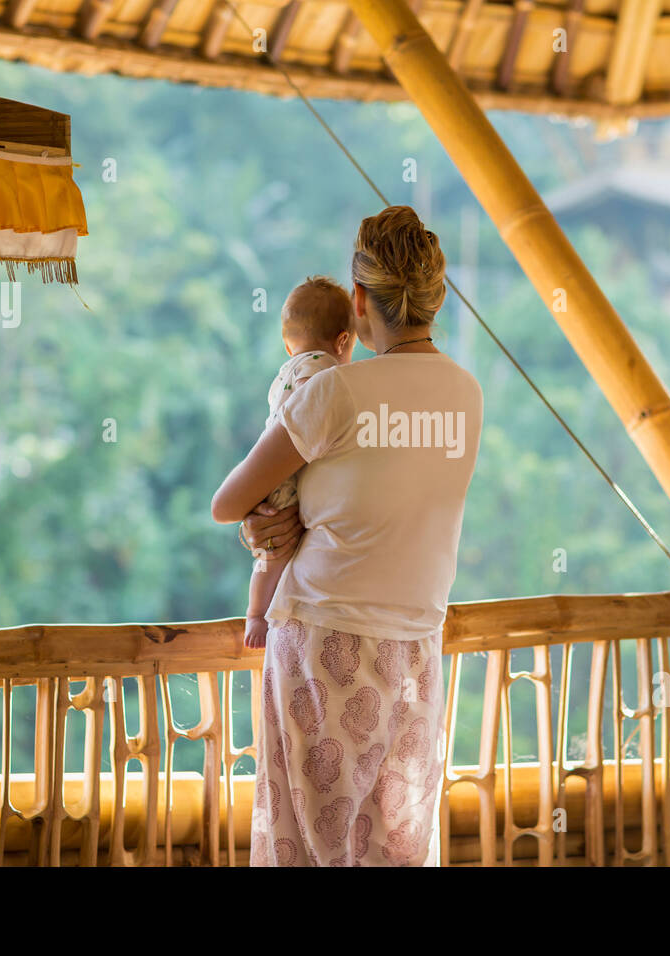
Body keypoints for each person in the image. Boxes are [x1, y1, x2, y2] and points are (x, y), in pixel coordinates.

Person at [210, 205, 483, 866]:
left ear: (359, 300)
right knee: (396, 849)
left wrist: (268, 523)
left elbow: (228, 503)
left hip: (322, 644)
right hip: (416, 648)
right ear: (434, 297)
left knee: (308, 846)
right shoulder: (465, 395)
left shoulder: (336, 394)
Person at [242, 276, 356, 651]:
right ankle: (257, 614)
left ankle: (258, 609)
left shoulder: (284, 372)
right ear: (342, 341)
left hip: (267, 463)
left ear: (288, 342)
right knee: (277, 552)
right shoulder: (329, 372)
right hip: (288, 472)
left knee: (269, 553)